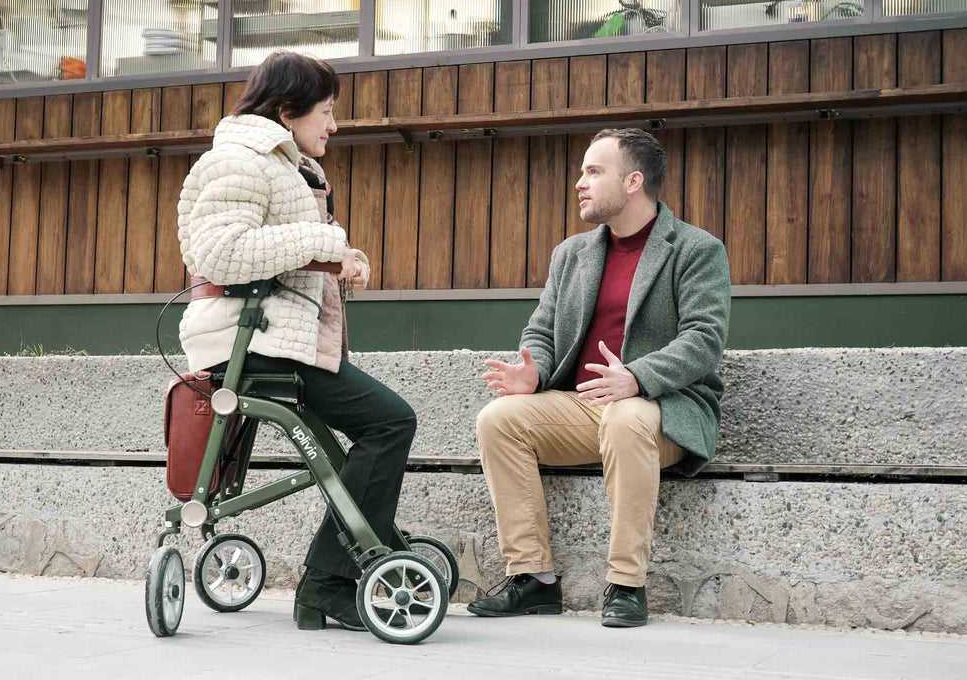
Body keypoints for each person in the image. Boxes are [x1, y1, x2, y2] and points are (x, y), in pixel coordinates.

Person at [176, 51, 416, 632]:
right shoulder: (238, 161)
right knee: (389, 423)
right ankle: (328, 582)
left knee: (367, 434)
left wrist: (336, 259)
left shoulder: (284, 164)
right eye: (327, 112)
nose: (333, 125)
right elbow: (218, 253)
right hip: (253, 345)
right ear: (288, 111)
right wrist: (327, 242)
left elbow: (276, 250)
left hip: (277, 341)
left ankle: (354, 561)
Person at [468, 128, 730, 628]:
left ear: (633, 181)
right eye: (582, 171)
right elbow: (540, 329)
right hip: (583, 405)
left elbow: (704, 338)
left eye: (593, 171)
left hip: (662, 409)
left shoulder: (696, 249)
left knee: (627, 419)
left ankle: (627, 584)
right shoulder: (572, 253)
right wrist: (535, 371)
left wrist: (636, 377)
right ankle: (533, 580)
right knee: (499, 419)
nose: (579, 183)